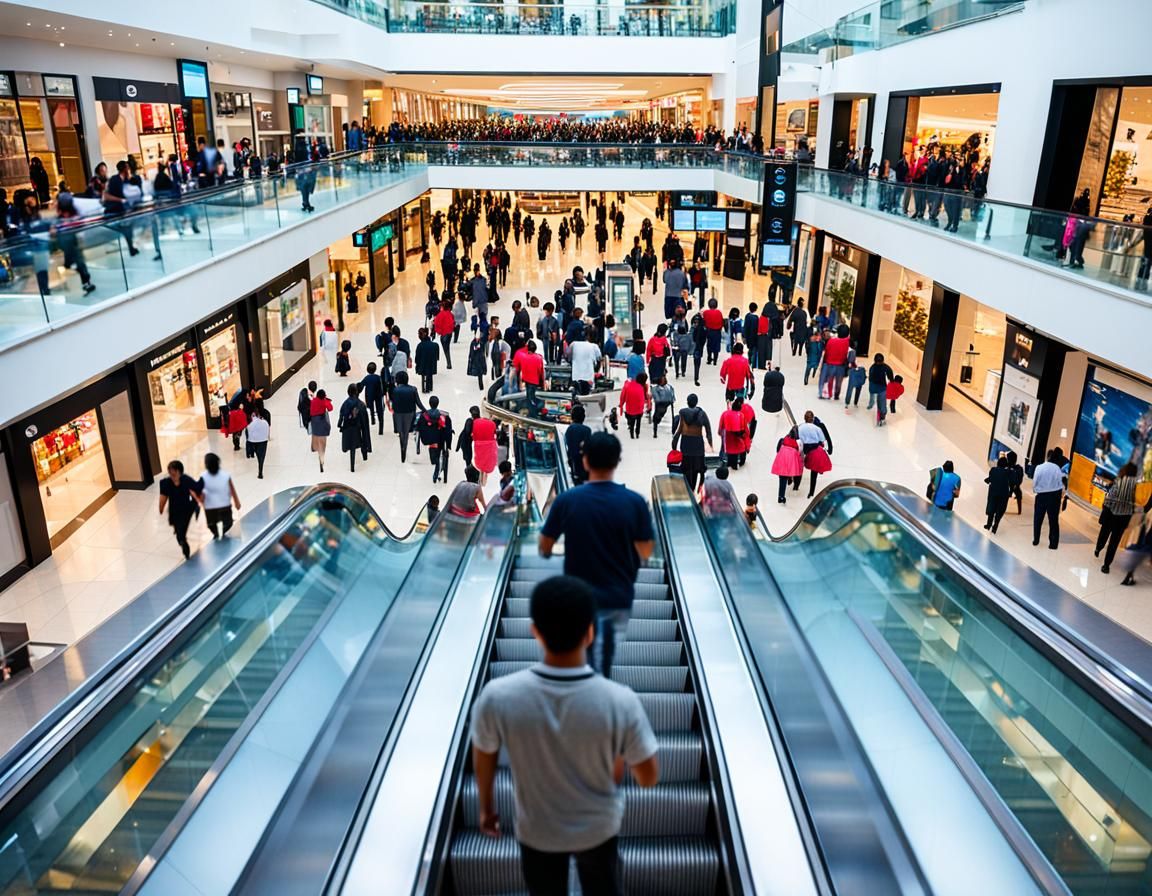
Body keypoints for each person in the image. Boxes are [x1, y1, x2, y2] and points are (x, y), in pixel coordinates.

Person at [470, 575, 659, 896]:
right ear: (590, 632)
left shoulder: (497, 696)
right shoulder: (619, 699)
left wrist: (487, 808)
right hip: (599, 829)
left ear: (535, 632)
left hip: (537, 832)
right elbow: (648, 777)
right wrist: (615, 760)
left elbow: (484, 754)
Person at [539, 433, 655, 680]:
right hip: (618, 594)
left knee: (583, 650)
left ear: (585, 461)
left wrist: (549, 551)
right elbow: (646, 551)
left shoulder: (567, 500)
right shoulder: (635, 503)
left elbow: (545, 545)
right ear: (617, 461)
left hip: (578, 596)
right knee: (605, 655)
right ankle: (597, 692)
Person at [1096, 463, 1151, 573]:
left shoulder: (1118, 481)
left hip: (1111, 514)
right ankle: (1106, 565)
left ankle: (1098, 548)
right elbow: (1138, 503)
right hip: (1123, 518)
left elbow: (1109, 499)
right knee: (1114, 542)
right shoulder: (1136, 485)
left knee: (1104, 533)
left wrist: (1106, 506)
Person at [158, 460, 203, 559]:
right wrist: (161, 507)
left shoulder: (186, 480)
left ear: (179, 472)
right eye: (170, 473)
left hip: (187, 509)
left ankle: (184, 545)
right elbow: (163, 497)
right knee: (177, 527)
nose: (172, 475)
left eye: (174, 472)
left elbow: (197, 489)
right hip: (174, 510)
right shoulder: (167, 483)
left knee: (181, 533)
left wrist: (198, 502)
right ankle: (181, 537)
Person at [671, 394, 713, 492]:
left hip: (686, 442)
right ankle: (696, 488)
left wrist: (674, 444)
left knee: (686, 467)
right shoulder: (702, 414)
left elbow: (680, 429)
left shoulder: (683, 413)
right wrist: (710, 443)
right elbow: (708, 430)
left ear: (687, 402)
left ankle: (688, 488)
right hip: (698, 443)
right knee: (698, 468)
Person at [200, 452, 240, 540]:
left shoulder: (203, 476)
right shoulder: (225, 475)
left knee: (212, 525)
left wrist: (202, 502)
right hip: (224, 505)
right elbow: (232, 490)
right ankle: (222, 535)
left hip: (210, 508)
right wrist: (237, 502)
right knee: (227, 523)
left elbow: (201, 493)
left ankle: (217, 535)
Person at [1032, 448, 1066, 549]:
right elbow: (1062, 486)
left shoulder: (1039, 467)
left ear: (1048, 456)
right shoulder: (1058, 469)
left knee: (1038, 519)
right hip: (1054, 497)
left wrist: (1036, 491)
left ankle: (1036, 540)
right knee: (1053, 521)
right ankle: (1053, 544)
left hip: (1041, 496)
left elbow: (1034, 483)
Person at [416, 396, 454, 483]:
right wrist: (449, 444)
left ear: (429, 403)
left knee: (434, 459)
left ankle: (436, 466)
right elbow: (448, 430)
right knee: (440, 454)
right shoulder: (444, 416)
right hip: (440, 439)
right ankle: (438, 471)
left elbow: (419, 428)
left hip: (428, 439)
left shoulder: (423, 416)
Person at [797, 410, 832, 499]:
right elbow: (823, 440)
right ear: (813, 419)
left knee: (799, 467)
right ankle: (811, 492)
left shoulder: (800, 427)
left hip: (804, 450)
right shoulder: (817, 428)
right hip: (815, 450)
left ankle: (796, 485)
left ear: (804, 418)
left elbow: (798, 439)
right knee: (814, 473)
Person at [391, 371, 425, 463]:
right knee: (406, 431)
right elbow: (418, 403)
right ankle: (404, 448)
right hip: (410, 413)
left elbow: (393, 404)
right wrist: (425, 411)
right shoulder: (413, 389)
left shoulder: (395, 390)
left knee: (401, 432)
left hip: (398, 413)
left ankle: (402, 448)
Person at [339, 383, 372, 472]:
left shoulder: (345, 403)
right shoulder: (361, 404)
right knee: (363, 436)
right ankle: (365, 454)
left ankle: (352, 466)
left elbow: (341, 415)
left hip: (348, 428)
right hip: (357, 428)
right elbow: (364, 422)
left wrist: (340, 425)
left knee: (351, 447)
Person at [771, 427, 804, 504]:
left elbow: (777, 450)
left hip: (782, 460)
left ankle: (781, 496)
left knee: (782, 479)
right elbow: (800, 452)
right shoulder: (799, 443)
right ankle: (783, 493)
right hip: (792, 462)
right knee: (787, 476)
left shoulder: (782, 440)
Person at [514, 340, 546, 416]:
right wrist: (542, 383)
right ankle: (534, 414)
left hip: (527, 381)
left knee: (529, 398)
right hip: (536, 381)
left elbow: (519, 369)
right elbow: (541, 371)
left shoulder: (523, 357)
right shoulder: (539, 358)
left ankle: (531, 413)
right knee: (535, 398)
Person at [718, 397, 750, 469]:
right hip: (738, 441)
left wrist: (720, 433)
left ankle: (727, 464)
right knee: (737, 455)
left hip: (728, 440)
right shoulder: (741, 416)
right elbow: (746, 431)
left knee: (730, 455)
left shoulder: (725, 414)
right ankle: (738, 465)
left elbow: (721, 427)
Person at [984, 456, 1013, 533]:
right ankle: (995, 527)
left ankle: (988, 524)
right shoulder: (1008, 472)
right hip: (1003, 495)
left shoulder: (993, 470)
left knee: (992, 509)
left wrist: (987, 480)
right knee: (999, 512)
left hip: (994, 494)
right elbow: (1012, 481)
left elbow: (991, 478)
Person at [565, 403, 592, 484]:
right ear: (583, 417)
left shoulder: (569, 429)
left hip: (573, 465)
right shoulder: (587, 430)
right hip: (583, 467)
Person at [618, 371, 650, 440]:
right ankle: (637, 433)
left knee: (631, 421)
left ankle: (632, 433)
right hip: (639, 407)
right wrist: (648, 405)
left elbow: (623, 396)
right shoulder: (644, 386)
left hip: (630, 407)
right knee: (638, 420)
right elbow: (646, 397)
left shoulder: (628, 384)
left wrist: (621, 404)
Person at [570, 330, 602, 396]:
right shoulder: (594, 347)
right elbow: (599, 360)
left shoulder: (573, 344)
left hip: (576, 378)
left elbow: (567, 356)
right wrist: (596, 370)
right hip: (588, 379)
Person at [471, 411, 499, 484]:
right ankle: (484, 477)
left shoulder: (476, 422)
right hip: (489, 444)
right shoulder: (492, 424)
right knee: (487, 460)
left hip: (478, 443)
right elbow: (494, 433)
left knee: (480, 459)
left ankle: (481, 473)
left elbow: (474, 433)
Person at [309, 389, 333, 473]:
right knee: (323, 442)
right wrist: (326, 400)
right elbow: (330, 408)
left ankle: (314, 447)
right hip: (322, 422)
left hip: (314, 422)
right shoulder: (324, 401)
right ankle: (321, 458)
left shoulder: (313, 400)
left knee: (315, 435)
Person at [245, 402, 271, 479]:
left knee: (258, 454)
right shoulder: (264, 422)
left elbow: (248, 435)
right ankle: (260, 471)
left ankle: (251, 454)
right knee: (261, 457)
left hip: (253, 441)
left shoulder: (250, 424)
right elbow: (267, 430)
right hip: (263, 441)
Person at [867, 353, 894, 425]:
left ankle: (873, 405)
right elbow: (891, 377)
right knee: (882, 402)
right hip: (881, 388)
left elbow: (870, 379)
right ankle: (882, 416)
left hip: (876, 387)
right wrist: (891, 382)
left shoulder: (872, 367)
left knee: (879, 400)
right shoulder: (886, 367)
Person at [360, 363, 386, 435]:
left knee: (371, 407)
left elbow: (361, 385)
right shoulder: (378, 377)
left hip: (369, 395)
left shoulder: (367, 378)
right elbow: (382, 385)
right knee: (380, 411)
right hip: (378, 395)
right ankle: (381, 429)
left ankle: (372, 419)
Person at [414, 327, 439, 394]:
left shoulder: (419, 346)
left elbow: (417, 359)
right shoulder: (435, 345)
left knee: (423, 368)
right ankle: (430, 387)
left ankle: (424, 388)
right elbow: (437, 358)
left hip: (422, 367)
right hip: (432, 366)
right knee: (429, 372)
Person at [433, 300, 457, 369]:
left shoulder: (440, 315)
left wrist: (439, 331)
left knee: (446, 349)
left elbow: (437, 324)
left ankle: (449, 363)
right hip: (449, 333)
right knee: (447, 348)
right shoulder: (450, 314)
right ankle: (448, 362)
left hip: (444, 334)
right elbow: (453, 322)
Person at [701, 298, 724, 365]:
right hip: (717, 331)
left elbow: (704, 321)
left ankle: (709, 358)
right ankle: (715, 360)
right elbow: (722, 322)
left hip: (709, 331)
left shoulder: (706, 312)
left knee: (709, 345)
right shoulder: (719, 312)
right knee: (716, 345)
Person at [1006, 450, 1025, 514]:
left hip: (1007, 486)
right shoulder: (1019, 468)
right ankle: (1019, 511)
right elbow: (1020, 479)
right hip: (1016, 486)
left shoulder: (1006, 467)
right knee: (1019, 494)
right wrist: (1016, 485)